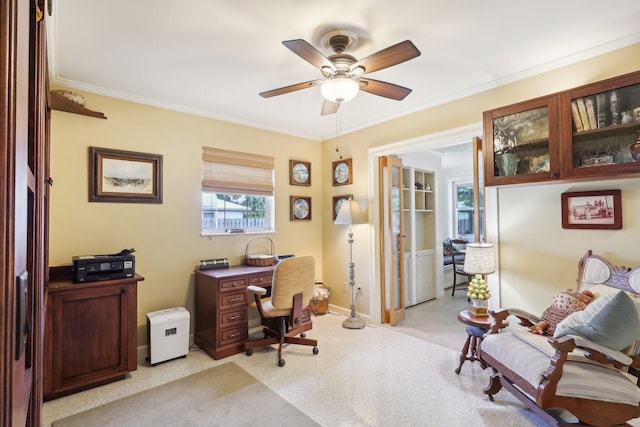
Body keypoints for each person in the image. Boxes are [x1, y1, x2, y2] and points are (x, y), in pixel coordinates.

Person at [528, 288, 594, 336]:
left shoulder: (583, 312)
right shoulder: (556, 310)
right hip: (550, 326)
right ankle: (538, 327)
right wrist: (539, 326)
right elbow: (547, 320)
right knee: (547, 320)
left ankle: (540, 327)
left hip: (565, 332)